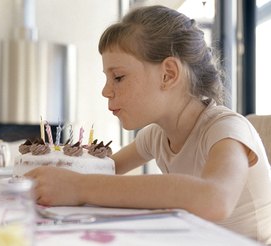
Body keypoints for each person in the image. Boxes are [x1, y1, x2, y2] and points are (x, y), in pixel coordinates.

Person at [24, 5, 271, 244]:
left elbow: (215, 199)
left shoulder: (226, 129)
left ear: (168, 74)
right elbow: (102, 173)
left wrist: (79, 187)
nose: (105, 91)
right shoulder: (155, 136)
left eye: (118, 77)